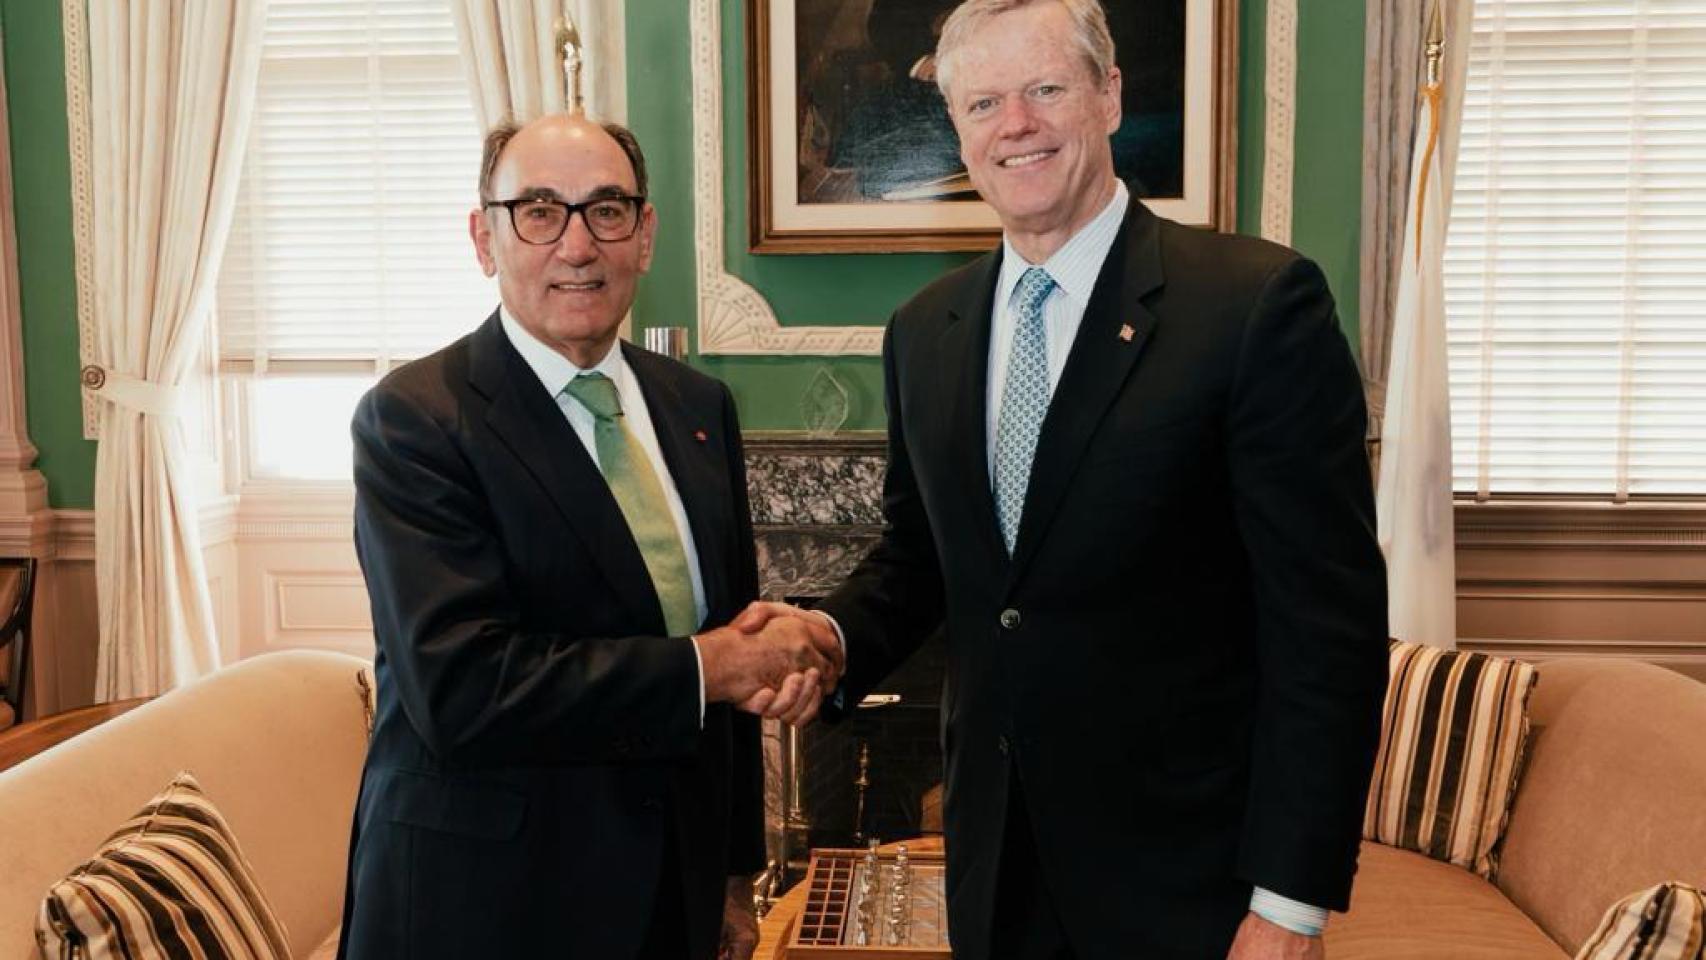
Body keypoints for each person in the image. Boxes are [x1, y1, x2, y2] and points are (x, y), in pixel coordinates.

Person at [739, 1, 1389, 958]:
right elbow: (923, 562)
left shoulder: (1253, 306)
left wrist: (1290, 903)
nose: (1017, 125)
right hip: (995, 867)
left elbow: (1326, 629)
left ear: (1109, 96)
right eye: (984, 102)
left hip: (1190, 881)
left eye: (1045, 89)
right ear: (957, 126)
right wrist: (827, 639)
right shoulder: (925, 332)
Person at [337, 113, 840, 960]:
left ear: (645, 236)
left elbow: (730, 640)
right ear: (484, 238)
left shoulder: (697, 407)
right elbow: (461, 690)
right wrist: (711, 666)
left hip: (668, 889)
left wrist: (731, 872)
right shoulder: (415, 419)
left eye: (607, 211)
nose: (577, 246)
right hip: (489, 904)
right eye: (539, 211)